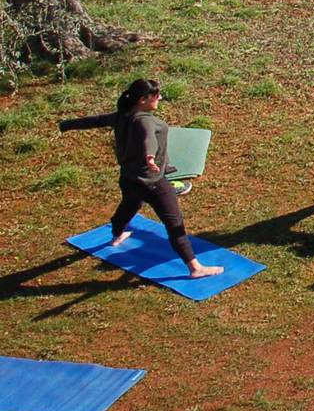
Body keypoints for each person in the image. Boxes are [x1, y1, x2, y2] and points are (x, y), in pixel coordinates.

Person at [59, 79, 224, 279]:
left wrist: (66, 125)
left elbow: (96, 121)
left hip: (129, 177)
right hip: (152, 182)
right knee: (175, 223)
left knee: (130, 205)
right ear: (143, 99)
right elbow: (149, 139)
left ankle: (117, 233)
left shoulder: (123, 115)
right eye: (156, 95)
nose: (160, 98)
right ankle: (195, 268)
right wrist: (150, 157)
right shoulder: (144, 120)